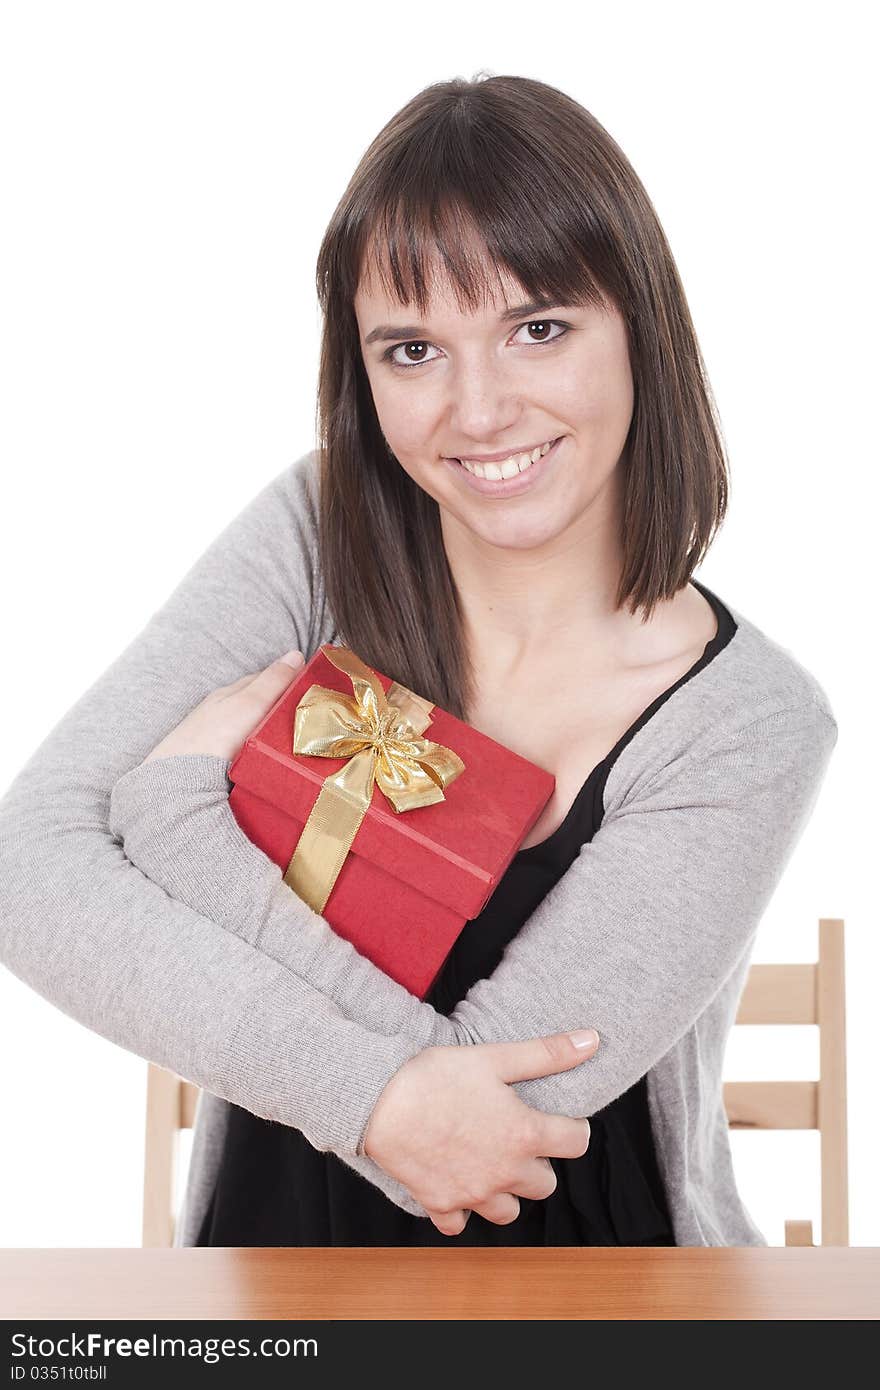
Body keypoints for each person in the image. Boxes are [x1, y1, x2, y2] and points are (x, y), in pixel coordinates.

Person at [0, 74, 837, 1249]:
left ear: (639, 326)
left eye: (537, 327)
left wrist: (177, 826)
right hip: (270, 1290)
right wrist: (377, 1093)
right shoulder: (318, 532)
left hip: (608, 1301)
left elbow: (481, 1125)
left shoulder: (747, 721)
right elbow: (28, 872)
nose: (478, 408)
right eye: (411, 349)